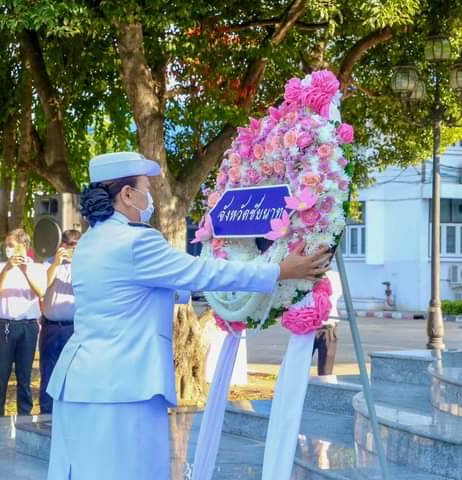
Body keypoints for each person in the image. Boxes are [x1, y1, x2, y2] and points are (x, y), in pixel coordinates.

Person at [46, 151, 331, 479]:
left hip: (80, 382)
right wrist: (279, 270)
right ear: (127, 194)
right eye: (146, 189)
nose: (150, 198)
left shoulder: (90, 240)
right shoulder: (136, 241)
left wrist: (223, 300)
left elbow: (131, 292)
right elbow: (201, 272)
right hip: (124, 387)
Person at [0, 228, 46, 417]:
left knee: (24, 376)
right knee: (1, 376)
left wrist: (25, 271)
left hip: (27, 326)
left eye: (12, 245)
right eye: (6, 246)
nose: (9, 249)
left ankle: (24, 416)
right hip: (5, 325)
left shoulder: (36, 267)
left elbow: (41, 292)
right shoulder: (0, 267)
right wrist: (8, 268)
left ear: (24, 246)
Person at [39, 229, 80, 415]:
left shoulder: (85, 266)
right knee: (48, 370)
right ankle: (46, 412)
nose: (69, 248)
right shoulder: (49, 263)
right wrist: (56, 263)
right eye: (66, 243)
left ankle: (71, 412)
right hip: (51, 326)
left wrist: (77, 263)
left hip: (74, 327)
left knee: (73, 372)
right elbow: (42, 286)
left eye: (73, 245)